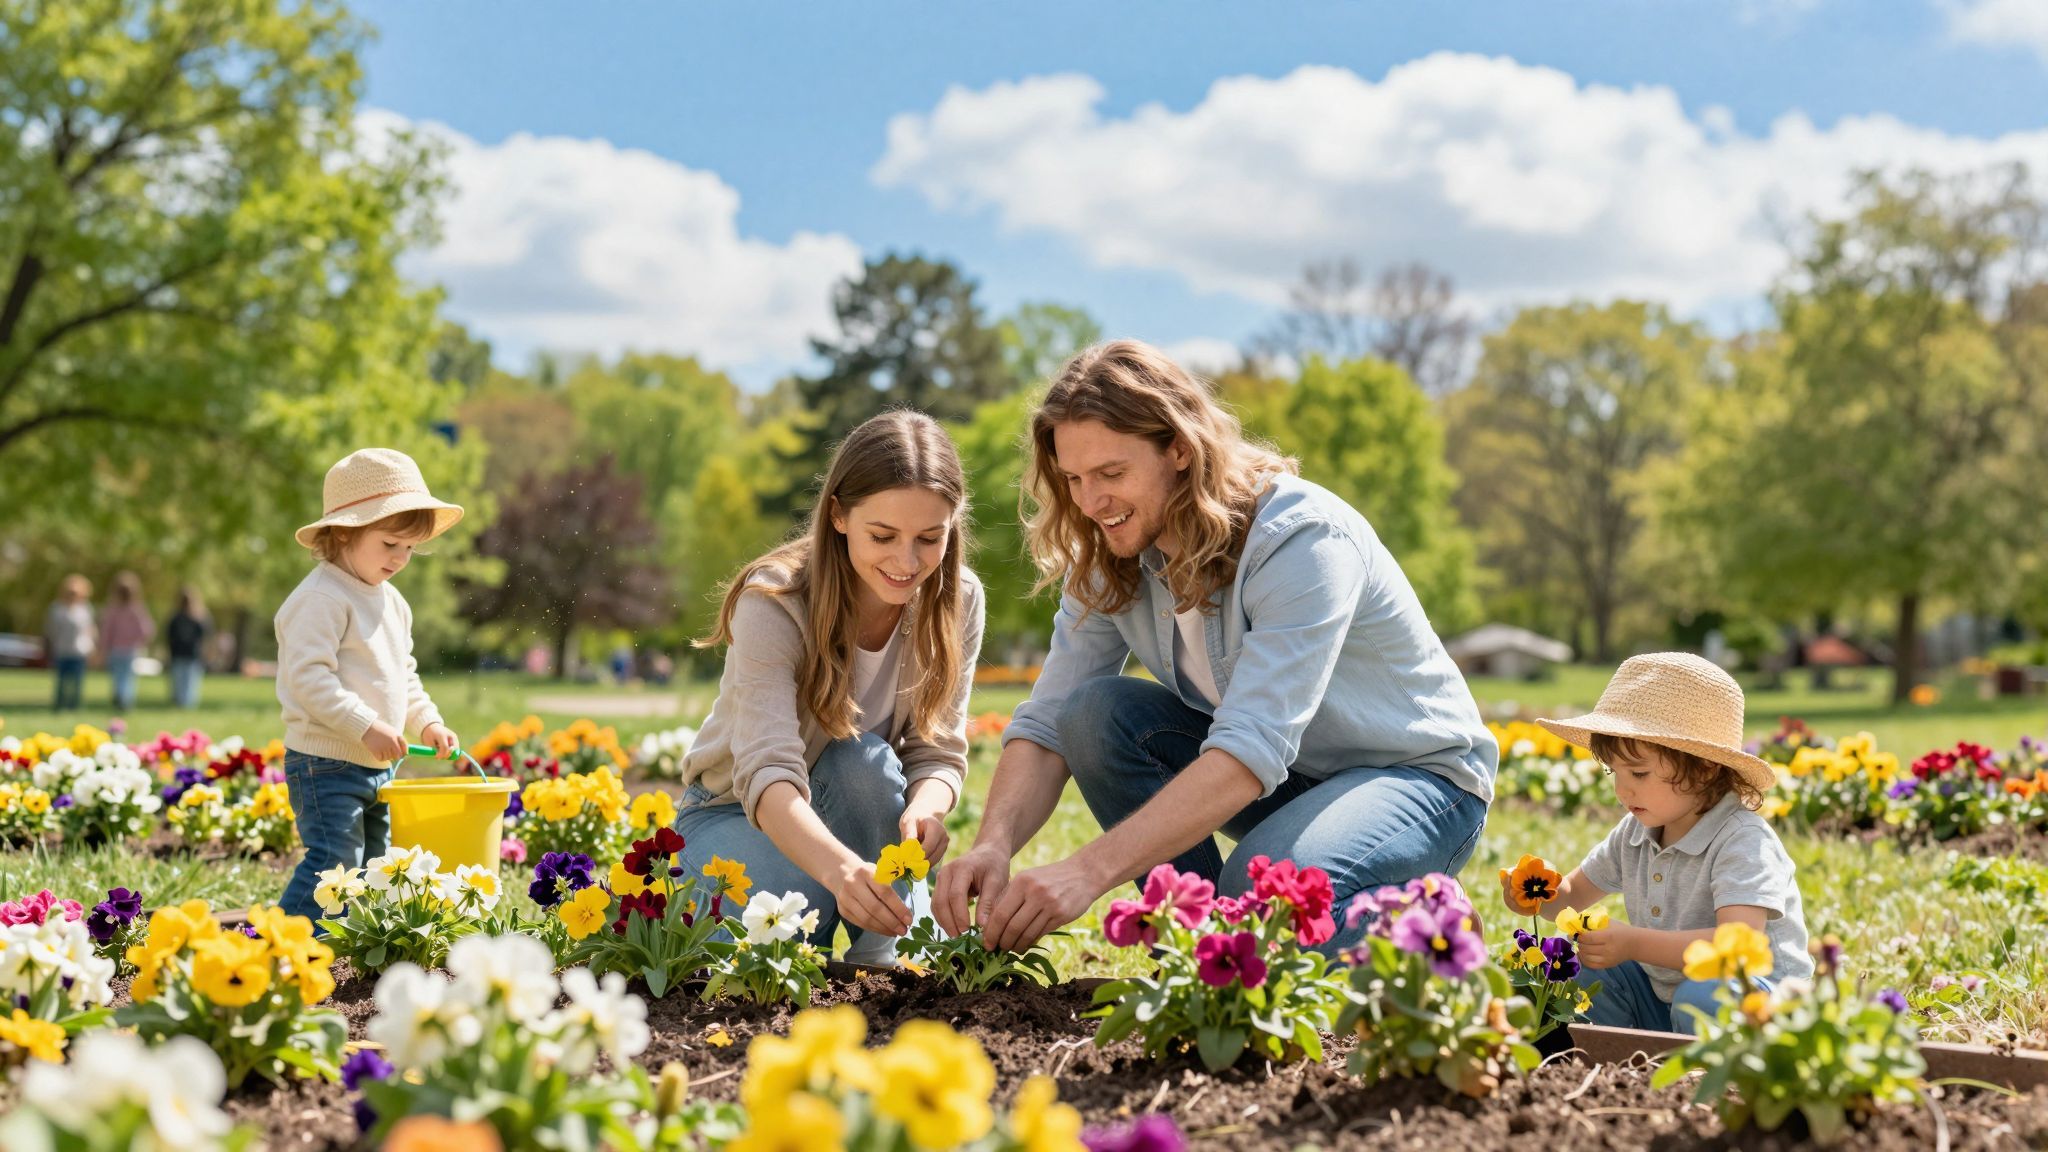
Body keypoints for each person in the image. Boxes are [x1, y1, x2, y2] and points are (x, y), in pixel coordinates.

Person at [935, 340, 1496, 955]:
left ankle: (1430, 923)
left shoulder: (1302, 539)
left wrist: (1087, 872)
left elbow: (1250, 746)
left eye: (1111, 474)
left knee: (1265, 899)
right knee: (1094, 715)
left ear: (1179, 449)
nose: (1090, 503)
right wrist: (992, 844)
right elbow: (1047, 723)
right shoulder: (1110, 554)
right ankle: (1202, 965)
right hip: (1288, 780)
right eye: (1073, 479)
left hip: (1416, 781)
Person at [678, 411, 984, 965]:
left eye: (930, 538)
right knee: (765, 946)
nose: (906, 561)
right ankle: (855, 929)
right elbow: (767, 772)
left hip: (858, 813)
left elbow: (937, 752)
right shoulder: (775, 598)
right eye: (883, 536)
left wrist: (926, 810)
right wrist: (842, 873)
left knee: (862, 762)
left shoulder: (957, 599)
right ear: (839, 515)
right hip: (734, 813)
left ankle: (882, 961)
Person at [1504, 652, 1812, 1035]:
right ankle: (1616, 1064)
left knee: (1702, 997)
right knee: (1588, 967)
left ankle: (1714, 1075)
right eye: (1613, 771)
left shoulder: (1742, 840)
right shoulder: (1634, 833)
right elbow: (1570, 898)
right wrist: (1536, 892)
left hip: (1758, 1008)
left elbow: (1737, 946)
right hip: (1666, 1003)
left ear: (1704, 766)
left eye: (1639, 772)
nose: (1622, 788)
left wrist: (1633, 943)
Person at [275, 448, 465, 923]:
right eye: (390, 545)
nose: (401, 559)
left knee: (376, 866)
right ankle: (278, 943)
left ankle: (349, 941)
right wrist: (365, 725)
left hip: (376, 763)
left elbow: (404, 674)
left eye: (409, 549)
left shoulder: (393, 602)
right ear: (344, 531)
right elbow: (308, 679)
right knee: (333, 864)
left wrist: (428, 723)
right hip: (326, 763)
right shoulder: (322, 597)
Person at [101, 572, 154, 714]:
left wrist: (105, 646)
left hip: (117, 649)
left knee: (119, 675)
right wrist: (139, 641)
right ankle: (125, 699)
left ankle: (121, 696)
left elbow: (107, 630)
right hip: (130, 649)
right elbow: (146, 630)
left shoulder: (113, 609)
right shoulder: (136, 610)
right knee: (128, 677)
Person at [44, 574, 95, 712]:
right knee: (61, 681)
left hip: (79, 651)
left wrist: (92, 647)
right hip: (62, 650)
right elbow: (51, 629)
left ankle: (74, 706)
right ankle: (59, 705)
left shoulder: (85, 609)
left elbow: (89, 629)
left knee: (77, 682)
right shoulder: (57, 608)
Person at [166, 587, 212, 709]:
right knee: (184, 680)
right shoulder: (176, 618)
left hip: (190, 654)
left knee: (187, 680)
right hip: (183, 654)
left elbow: (205, 635)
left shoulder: (197, 618)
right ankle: (182, 702)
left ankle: (186, 703)